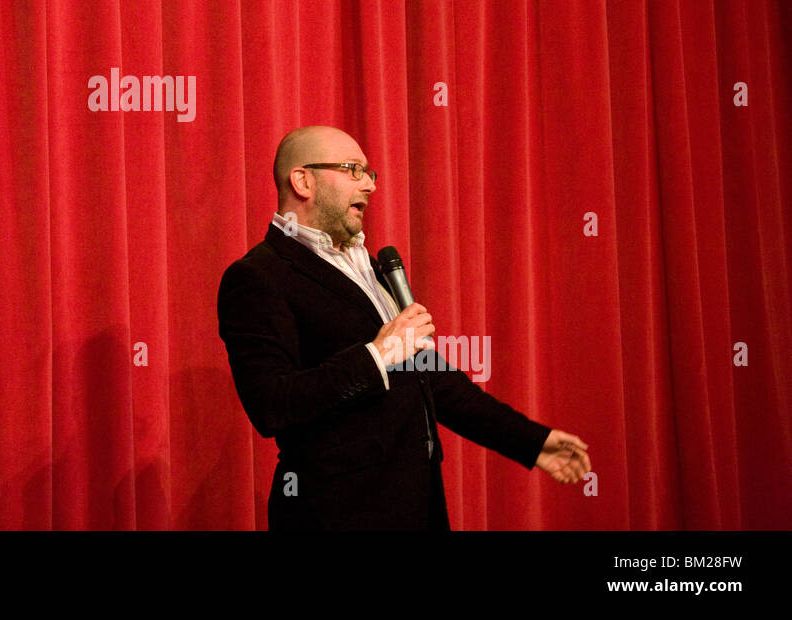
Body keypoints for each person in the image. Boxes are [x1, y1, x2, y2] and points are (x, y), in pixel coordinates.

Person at [216, 125, 591, 529]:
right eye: (352, 170)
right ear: (303, 180)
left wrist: (531, 442)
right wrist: (377, 355)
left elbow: (434, 382)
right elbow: (273, 404)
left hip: (418, 508)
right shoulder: (259, 277)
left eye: (369, 174)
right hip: (335, 516)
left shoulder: (371, 267)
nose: (370, 186)